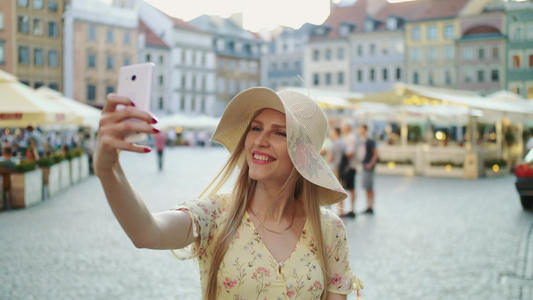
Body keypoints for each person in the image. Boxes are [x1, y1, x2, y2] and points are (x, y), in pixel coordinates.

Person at [94, 88, 363, 299]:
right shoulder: (216, 215)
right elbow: (147, 232)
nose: (260, 140)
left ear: (303, 157)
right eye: (256, 128)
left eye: (279, 133)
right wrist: (108, 170)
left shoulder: (329, 229)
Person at [358, 125, 378, 214]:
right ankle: (368, 206)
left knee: (370, 186)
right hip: (365, 166)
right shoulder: (364, 141)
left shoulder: (370, 141)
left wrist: (371, 164)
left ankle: (371, 206)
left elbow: (375, 154)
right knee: (367, 187)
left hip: (368, 166)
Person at [339, 123, 358, 218]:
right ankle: (348, 209)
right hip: (348, 167)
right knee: (348, 188)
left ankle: (351, 209)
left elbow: (350, 153)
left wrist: (339, 156)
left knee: (349, 188)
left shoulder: (350, 138)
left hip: (349, 167)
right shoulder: (347, 137)